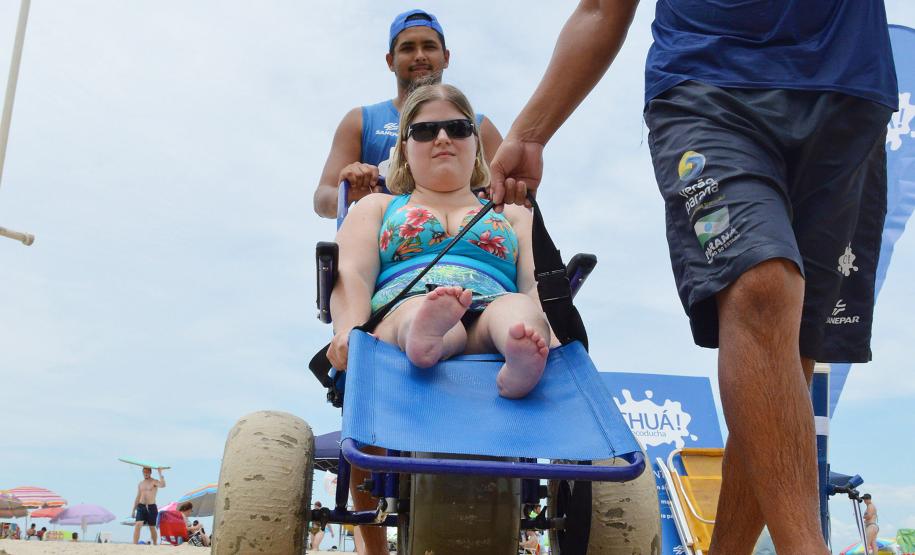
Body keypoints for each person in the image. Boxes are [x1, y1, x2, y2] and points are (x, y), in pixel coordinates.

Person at [488, 2, 897, 554]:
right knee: (762, 285)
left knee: (792, 344)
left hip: (848, 91)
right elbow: (603, 8)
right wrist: (532, 131)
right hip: (707, 84)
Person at [327, 83, 550, 555]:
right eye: (426, 131)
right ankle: (428, 336)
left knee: (518, 312)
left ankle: (520, 357)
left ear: (477, 145)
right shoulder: (379, 206)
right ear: (404, 149)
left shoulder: (513, 213)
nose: (443, 138)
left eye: (458, 127)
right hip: (404, 306)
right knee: (419, 313)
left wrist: (545, 326)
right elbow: (353, 273)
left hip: (490, 310)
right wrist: (348, 330)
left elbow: (537, 282)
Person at [313, 9, 503, 219]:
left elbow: (515, 196)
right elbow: (322, 199)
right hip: (381, 237)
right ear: (390, 61)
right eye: (408, 48)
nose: (420, 55)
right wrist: (346, 190)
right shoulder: (360, 121)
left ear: (446, 57)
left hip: (466, 237)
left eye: (429, 46)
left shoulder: (479, 127)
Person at [131, 466, 166, 545]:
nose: (146, 473)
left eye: (147, 472)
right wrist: (133, 510)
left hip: (151, 506)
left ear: (150, 472)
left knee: (152, 527)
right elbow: (138, 496)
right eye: (144, 472)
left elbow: (163, 485)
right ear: (142, 472)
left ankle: (155, 544)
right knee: (138, 525)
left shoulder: (154, 481)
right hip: (141, 506)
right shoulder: (141, 484)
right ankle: (134, 545)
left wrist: (160, 473)